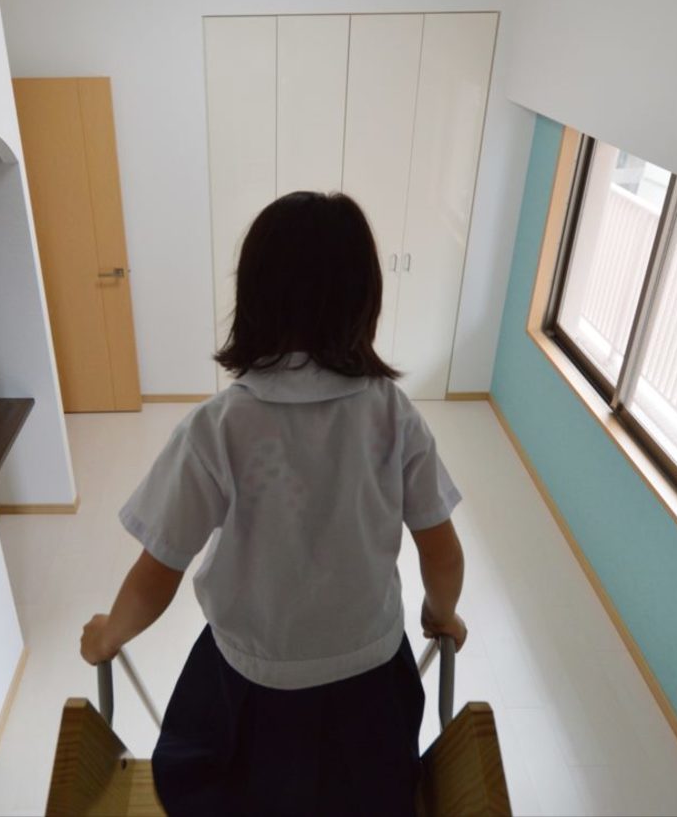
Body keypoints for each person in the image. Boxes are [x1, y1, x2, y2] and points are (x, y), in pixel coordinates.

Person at [79, 191, 467, 816]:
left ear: (253, 298)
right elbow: (443, 554)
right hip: (371, 690)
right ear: (365, 299)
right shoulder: (393, 416)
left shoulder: (219, 427)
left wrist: (108, 636)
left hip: (251, 690)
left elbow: (157, 572)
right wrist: (440, 613)